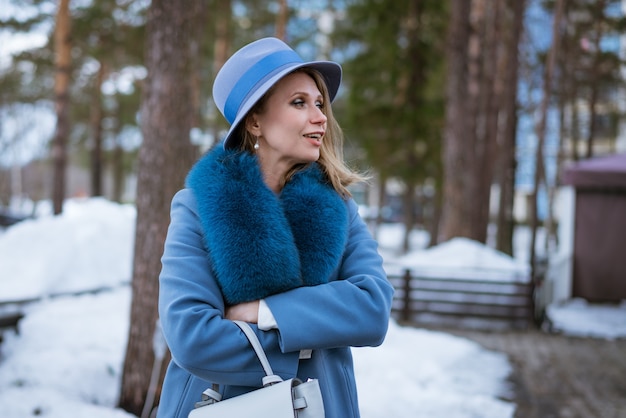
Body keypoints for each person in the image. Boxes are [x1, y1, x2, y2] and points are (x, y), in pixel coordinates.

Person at [157, 37, 394, 418]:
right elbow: (192, 338)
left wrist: (265, 312)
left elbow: (372, 307)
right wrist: (307, 340)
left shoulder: (339, 208)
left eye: (319, 103)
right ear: (255, 121)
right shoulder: (199, 206)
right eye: (299, 103)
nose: (320, 117)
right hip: (220, 407)